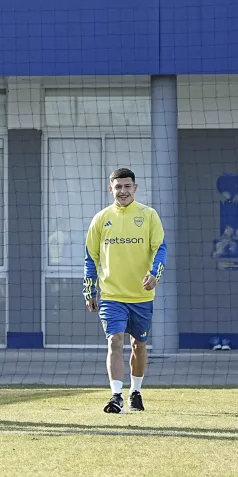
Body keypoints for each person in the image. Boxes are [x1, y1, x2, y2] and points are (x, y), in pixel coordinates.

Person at [84, 167, 166, 413]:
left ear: (135, 188)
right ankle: (116, 395)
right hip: (111, 295)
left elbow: (160, 249)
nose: (122, 191)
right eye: (118, 186)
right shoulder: (101, 219)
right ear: (111, 188)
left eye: (127, 186)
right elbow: (90, 257)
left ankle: (136, 391)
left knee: (139, 345)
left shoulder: (149, 215)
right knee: (115, 342)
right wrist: (90, 290)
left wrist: (155, 275)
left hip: (141, 295)